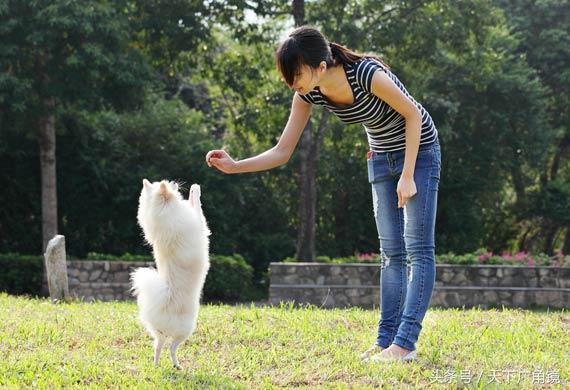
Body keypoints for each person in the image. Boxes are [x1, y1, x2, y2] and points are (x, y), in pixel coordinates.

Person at [206, 26, 441, 362]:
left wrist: (407, 175)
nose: (292, 83)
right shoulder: (308, 93)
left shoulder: (366, 74)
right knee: (390, 253)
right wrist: (235, 165)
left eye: (296, 74)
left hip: (420, 153)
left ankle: (404, 344)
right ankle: (386, 341)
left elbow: (413, 115)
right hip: (380, 158)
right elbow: (282, 151)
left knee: (417, 248)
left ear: (319, 66)